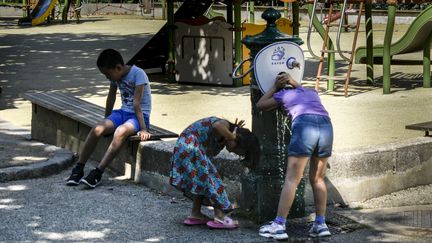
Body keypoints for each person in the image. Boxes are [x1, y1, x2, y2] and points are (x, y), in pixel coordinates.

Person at [256, 72, 333, 240]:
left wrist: (275, 87)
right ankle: (320, 224)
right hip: (326, 126)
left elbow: (260, 104)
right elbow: (301, 88)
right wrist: (293, 81)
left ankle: (278, 225)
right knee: (318, 178)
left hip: (305, 126)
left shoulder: (283, 94)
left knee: (292, 179)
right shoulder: (312, 92)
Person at [66, 48, 152, 188]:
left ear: (118, 67)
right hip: (122, 113)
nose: (108, 78)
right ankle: (79, 168)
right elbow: (111, 97)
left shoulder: (138, 74)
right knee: (97, 129)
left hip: (139, 117)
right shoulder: (116, 76)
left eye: (108, 75)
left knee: (120, 131)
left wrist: (143, 128)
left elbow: (137, 103)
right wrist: (106, 122)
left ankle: (98, 172)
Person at [170, 117, 260, 229]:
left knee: (202, 181)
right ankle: (220, 217)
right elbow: (217, 125)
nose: (234, 152)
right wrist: (231, 135)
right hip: (191, 146)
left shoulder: (223, 135)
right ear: (237, 138)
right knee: (213, 181)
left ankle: (195, 214)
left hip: (183, 146)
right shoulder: (224, 126)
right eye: (238, 149)